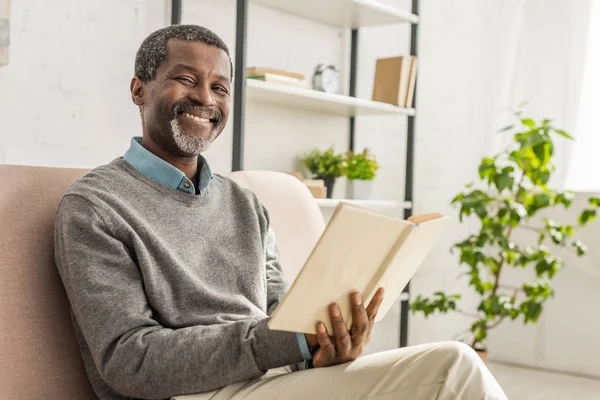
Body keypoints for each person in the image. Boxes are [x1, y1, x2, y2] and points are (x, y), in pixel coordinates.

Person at [54, 24, 507, 400]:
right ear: (139, 89)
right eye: (187, 79)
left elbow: (281, 315)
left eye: (220, 87)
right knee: (454, 366)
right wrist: (283, 340)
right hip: (192, 394)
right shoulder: (95, 207)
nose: (207, 100)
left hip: (271, 382)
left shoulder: (244, 204)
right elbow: (129, 360)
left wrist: (319, 348)